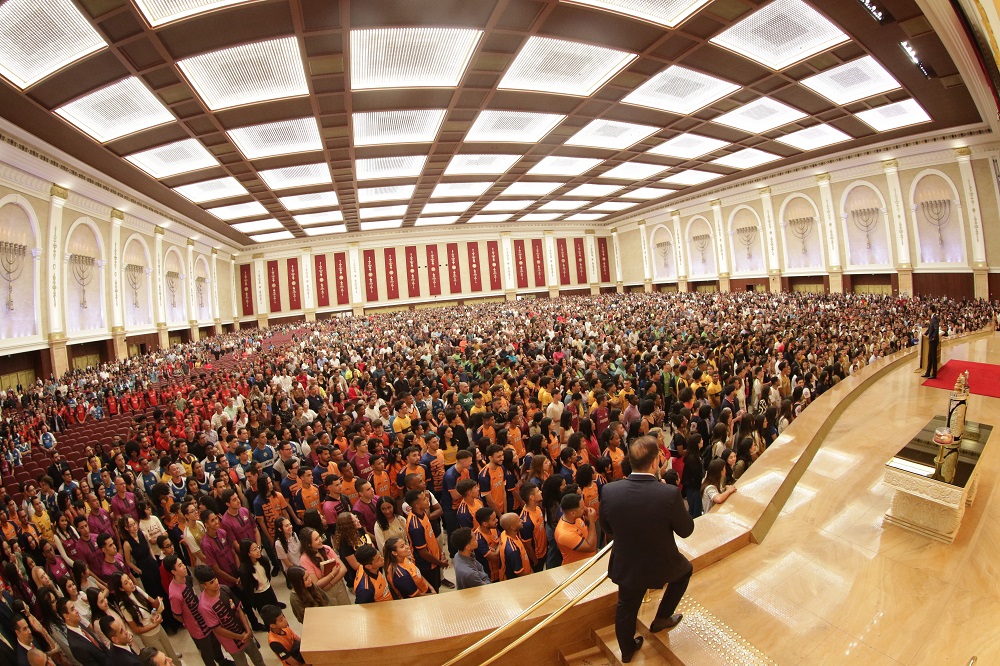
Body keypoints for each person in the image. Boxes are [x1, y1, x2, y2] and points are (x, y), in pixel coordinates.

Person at [599, 436, 695, 663]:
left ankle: (626, 650)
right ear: (654, 463)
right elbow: (686, 530)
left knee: (626, 605)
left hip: (627, 561)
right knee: (685, 571)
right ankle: (661, 617)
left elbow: (606, 527)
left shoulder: (610, 491)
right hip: (662, 562)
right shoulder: (669, 494)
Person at [194, 565, 266, 666]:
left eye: (215, 579)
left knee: (258, 659)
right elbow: (217, 629)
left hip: (246, 634)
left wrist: (248, 631)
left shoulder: (224, 589)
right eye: (211, 582)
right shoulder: (204, 606)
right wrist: (240, 637)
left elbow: (239, 610)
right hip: (232, 643)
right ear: (204, 585)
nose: (216, 583)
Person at [165, 555, 228, 666]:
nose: (184, 567)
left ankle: (222, 661)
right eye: (180, 566)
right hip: (197, 628)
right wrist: (189, 622)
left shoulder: (187, 579)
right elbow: (177, 615)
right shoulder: (175, 594)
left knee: (216, 643)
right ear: (173, 571)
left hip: (206, 618)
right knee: (207, 652)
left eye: (183, 564)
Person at [59, 597, 107, 666]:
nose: (77, 611)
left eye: (74, 608)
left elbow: (98, 644)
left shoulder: (80, 624)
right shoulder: (75, 644)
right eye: (72, 609)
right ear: (66, 616)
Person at [554, 493, 597, 566]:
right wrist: (592, 522)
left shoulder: (575, 518)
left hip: (590, 562)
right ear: (573, 513)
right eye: (582, 508)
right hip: (579, 568)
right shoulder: (564, 533)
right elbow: (591, 547)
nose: (586, 508)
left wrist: (588, 520)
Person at [498, 512, 530, 580]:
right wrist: (530, 577)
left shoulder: (504, 533)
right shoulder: (513, 550)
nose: (521, 520)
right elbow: (519, 572)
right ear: (513, 527)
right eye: (518, 521)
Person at [922, 305, 940, 379]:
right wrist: (925, 334)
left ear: (931, 310)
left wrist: (933, 337)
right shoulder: (933, 318)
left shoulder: (935, 318)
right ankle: (928, 372)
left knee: (933, 357)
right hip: (931, 340)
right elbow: (930, 328)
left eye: (929, 310)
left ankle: (934, 374)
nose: (928, 311)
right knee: (930, 357)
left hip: (933, 341)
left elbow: (936, 329)